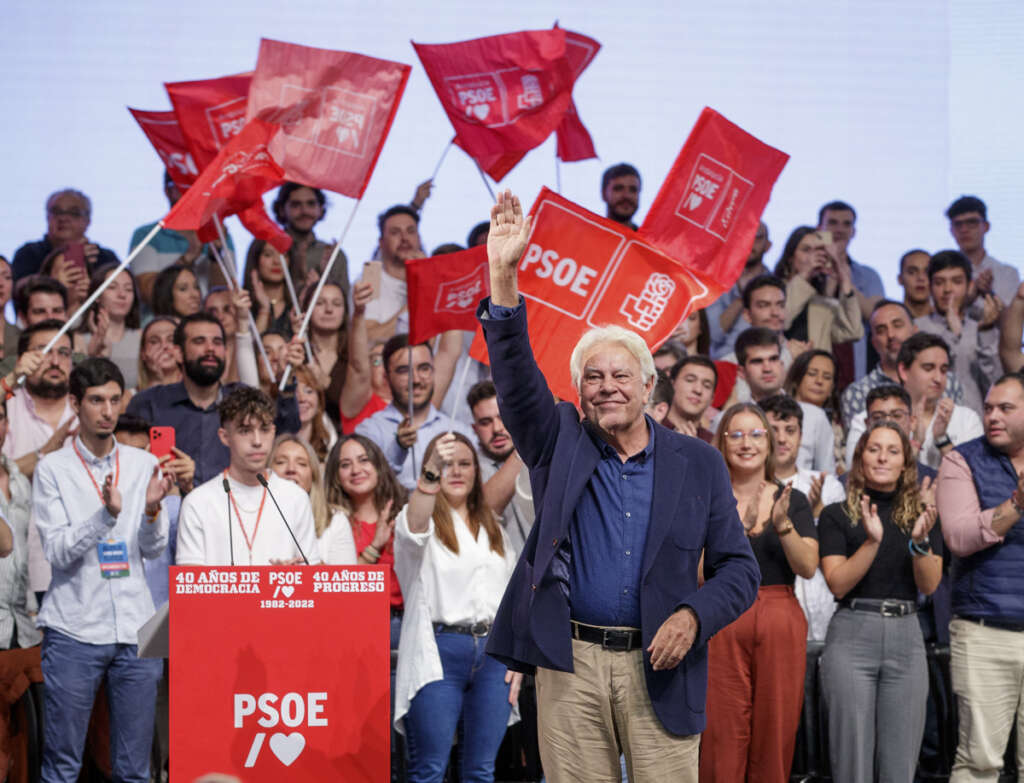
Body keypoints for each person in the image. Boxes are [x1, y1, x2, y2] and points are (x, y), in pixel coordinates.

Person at [479, 190, 759, 781]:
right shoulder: (559, 441)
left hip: (664, 666)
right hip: (570, 664)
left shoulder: (701, 464)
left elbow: (740, 571)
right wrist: (504, 277)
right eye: (593, 378)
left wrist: (693, 616)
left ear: (650, 386)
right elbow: (516, 379)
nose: (607, 386)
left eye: (620, 375)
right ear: (578, 393)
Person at [34, 357, 177, 782]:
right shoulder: (52, 469)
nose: (108, 410)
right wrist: (105, 517)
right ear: (76, 403)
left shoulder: (140, 463)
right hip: (74, 629)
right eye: (96, 400)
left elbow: (153, 549)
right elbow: (58, 552)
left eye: (114, 399)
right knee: (62, 766)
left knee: (135, 770)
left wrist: (152, 510)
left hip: (137, 628)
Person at [818, 422, 942, 782]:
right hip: (853, 634)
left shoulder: (923, 514)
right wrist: (872, 542)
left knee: (900, 764)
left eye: (892, 450)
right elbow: (838, 584)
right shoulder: (837, 514)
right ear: (860, 458)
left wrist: (920, 541)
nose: (883, 457)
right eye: (874, 449)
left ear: (905, 462)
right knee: (851, 761)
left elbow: (930, 584)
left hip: (906, 634)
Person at [700, 402, 817, 783]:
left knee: (776, 731)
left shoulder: (792, 500)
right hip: (720, 614)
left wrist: (782, 525)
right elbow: (696, 573)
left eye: (755, 434)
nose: (746, 443)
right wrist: (733, 529)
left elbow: (808, 567)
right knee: (720, 736)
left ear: (769, 443)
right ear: (722, 442)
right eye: (736, 434)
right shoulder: (704, 498)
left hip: (779, 612)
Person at [393, 431, 518, 783]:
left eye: (465, 464)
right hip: (439, 651)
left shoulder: (493, 526)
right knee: (429, 770)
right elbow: (413, 528)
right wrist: (429, 473)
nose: (457, 471)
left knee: (481, 771)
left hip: (495, 657)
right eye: (447, 465)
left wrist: (518, 658)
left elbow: (510, 597)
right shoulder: (421, 517)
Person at [936, 372, 1024, 780]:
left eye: (1006, 408)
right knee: (979, 763)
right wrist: (1016, 504)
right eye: (988, 407)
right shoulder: (961, 459)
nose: (992, 416)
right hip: (984, 630)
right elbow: (959, 536)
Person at [127, 313, 299, 485]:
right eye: (199, 341)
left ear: (225, 352)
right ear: (178, 353)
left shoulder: (243, 399)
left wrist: (288, 380)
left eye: (217, 342)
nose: (210, 348)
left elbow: (285, 433)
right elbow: (130, 467)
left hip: (237, 505)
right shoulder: (149, 403)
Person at [176, 386, 319, 566]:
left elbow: (312, 575)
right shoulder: (198, 502)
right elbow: (191, 586)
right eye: (245, 431)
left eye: (265, 429)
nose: (257, 441)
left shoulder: (296, 497)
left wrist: (291, 578)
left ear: (274, 432)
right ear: (224, 436)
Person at [759, 394, 846, 641]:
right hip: (771, 611)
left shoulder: (827, 484)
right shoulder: (749, 488)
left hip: (822, 609)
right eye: (773, 429)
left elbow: (837, 552)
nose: (782, 438)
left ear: (801, 436)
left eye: (790, 430)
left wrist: (816, 516)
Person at [846, 332, 982, 470]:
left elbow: (975, 475)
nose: (938, 378)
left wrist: (942, 439)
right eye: (928, 368)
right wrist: (915, 442)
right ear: (903, 370)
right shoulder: (870, 419)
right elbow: (856, 473)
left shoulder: (967, 419)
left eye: (943, 370)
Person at [355, 334, 474, 490]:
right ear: (386, 376)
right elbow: (368, 488)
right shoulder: (368, 432)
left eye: (424, 368)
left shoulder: (459, 431)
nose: (416, 380)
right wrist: (398, 448)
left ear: (433, 371)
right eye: (404, 371)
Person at [323, 434, 406, 642]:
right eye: (345, 464)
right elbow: (338, 587)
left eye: (363, 460)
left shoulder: (404, 514)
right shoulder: (331, 522)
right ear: (335, 475)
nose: (356, 470)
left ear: (378, 465)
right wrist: (375, 545)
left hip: (406, 626)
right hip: (355, 626)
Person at [841, 299, 965, 429]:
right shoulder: (858, 393)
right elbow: (861, 447)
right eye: (881, 330)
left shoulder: (948, 382)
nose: (891, 335)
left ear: (914, 331)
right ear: (873, 342)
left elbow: (961, 435)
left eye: (897, 325)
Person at [731, 328, 835, 473]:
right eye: (757, 361)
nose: (767, 368)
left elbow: (826, 475)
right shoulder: (730, 420)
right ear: (741, 372)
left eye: (773, 359)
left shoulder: (815, 417)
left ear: (782, 363)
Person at [915, 249, 1001, 412]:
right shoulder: (917, 328)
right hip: (930, 423)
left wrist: (986, 331)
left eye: (956, 281)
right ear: (930, 286)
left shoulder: (979, 328)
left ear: (970, 286)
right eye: (939, 282)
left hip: (975, 425)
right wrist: (953, 335)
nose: (947, 289)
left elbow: (994, 383)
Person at [129, 171, 231, 302]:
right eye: (182, 183)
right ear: (167, 190)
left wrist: (215, 255)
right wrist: (188, 257)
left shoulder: (219, 234)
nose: (190, 191)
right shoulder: (146, 235)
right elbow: (149, 294)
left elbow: (226, 297)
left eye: (195, 185)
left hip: (208, 321)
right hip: (163, 321)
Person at [817, 200, 886, 382]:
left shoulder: (868, 275)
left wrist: (842, 274)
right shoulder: (807, 274)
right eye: (832, 223)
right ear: (819, 229)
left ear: (854, 232)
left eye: (846, 224)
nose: (839, 230)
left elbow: (875, 315)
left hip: (857, 368)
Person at [3, 320, 78, 479]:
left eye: (64, 353)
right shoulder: (7, 408)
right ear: (21, 360)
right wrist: (13, 377)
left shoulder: (87, 408)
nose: (55, 362)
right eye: (44, 352)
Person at [467, 380, 533, 555]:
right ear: (474, 428)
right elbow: (484, 510)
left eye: (502, 417)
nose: (496, 428)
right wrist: (525, 444)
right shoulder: (468, 468)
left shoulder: (542, 455)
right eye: (485, 422)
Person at [773, 226, 862, 354]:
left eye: (819, 250)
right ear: (790, 258)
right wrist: (805, 274)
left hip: (816, 371)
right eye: (806, 250)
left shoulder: (822, 300)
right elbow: (783, 321)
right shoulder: (773, 291)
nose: (814, 256)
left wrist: (845, 282)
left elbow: (852, 332)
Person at [0, 396, 40, 649]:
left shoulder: (19, 480)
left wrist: (33, 609)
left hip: (22, 626)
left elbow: (24, 550)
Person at [12, 189, 119, 282]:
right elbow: (19, 292)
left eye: (73, 213)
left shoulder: (104, 257)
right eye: (57, 212)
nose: (63, 218)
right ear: (47, 217)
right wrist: (56, 263)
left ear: (88, 221)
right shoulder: (29, 253)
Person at [271, 182, 349, 299]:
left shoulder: (333, 255)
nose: (304, 211)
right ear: (281, 209)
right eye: (296, 205)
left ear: (321, 209)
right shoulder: (269, 248)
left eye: (311, 204)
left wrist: (325, 277)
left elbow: (343, 307)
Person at [707, 221, 772, 356]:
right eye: (744, 236)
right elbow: (714, 334)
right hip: (722, 361)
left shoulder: (776, 285)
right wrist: (743, 298)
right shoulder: (715, 281)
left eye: (757, 237)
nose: (750, 243)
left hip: (763, 359)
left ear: (768, 246)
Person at [361, 205, 425, 342]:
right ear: (381, 242)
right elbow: (369, 338)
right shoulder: (371, 278)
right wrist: (419, 296)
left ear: (419, 239)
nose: (404, 238)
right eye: (395, 232)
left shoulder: (435, 278)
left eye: (411, 231)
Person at [73, 263, 143, 388]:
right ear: (97, 296)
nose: (122, 295)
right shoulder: (78, 339)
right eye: (112, 287)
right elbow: (75, 375)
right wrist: (91, 356)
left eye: (128, 289)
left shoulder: (142, 337)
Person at [945, 195, 1020, 308]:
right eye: (958, 224)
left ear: (986, 226)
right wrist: (970, 297)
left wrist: (988, 293)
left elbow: (1013, 320)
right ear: (951, 230)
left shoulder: (1007, 273)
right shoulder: (940, 274)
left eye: (972, 222)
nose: (964, 230)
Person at [784, 349, 845, 473]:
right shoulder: (779, 413)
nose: (819, 381)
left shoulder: (837, 428)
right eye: (812, 374)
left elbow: (829, 473)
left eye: (827, 377)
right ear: (796, 379)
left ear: (832, 388)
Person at [340, 282, 390, 432]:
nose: (385, 366)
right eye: (377, 361)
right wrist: (359, 313)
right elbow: (358, 368)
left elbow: (447, 355)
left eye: (389, 360)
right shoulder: (360, 403)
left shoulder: (415, 404)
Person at [269, 434, 329, 537]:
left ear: (313, 475)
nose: (291, 469)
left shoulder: (335, 522)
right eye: (281, 462)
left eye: (301, 463)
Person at [244, 240, 292, 337]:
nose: (277, 261)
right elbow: (251, 349)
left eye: (283, 255)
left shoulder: (297, 304)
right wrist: (264, 309)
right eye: (268, 255)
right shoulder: (243, 305)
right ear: (255, 260)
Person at [665, 356, 716, 440]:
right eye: (690, 380)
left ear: (712, 398)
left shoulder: (713, 443)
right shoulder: (650, 429)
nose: (698, 390)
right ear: (672, 385)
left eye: (707, 386)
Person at [294, 365, 337, 462]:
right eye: (294, 393)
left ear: (319, 400)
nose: (302, 398)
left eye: (309, 391)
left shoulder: (329, 441)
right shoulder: (273, 442)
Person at [136, 316, 181, 392]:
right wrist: (156, 381)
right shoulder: (128, 397)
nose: (164, 345)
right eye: (154, 341)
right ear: (143, 353)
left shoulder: (198, 389)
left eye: (171, 340)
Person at [600, 163, 641, 230]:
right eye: (618, 189)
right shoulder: (585, 237)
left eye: (633, 190)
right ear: (603, 194)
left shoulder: (648, 240)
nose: (626, 196)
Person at [898, 249, 933, 319]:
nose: (921, 278)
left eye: (927, 272)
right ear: (900, 279)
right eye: (912, 272)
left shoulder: (947, 321)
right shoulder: (888, 321)